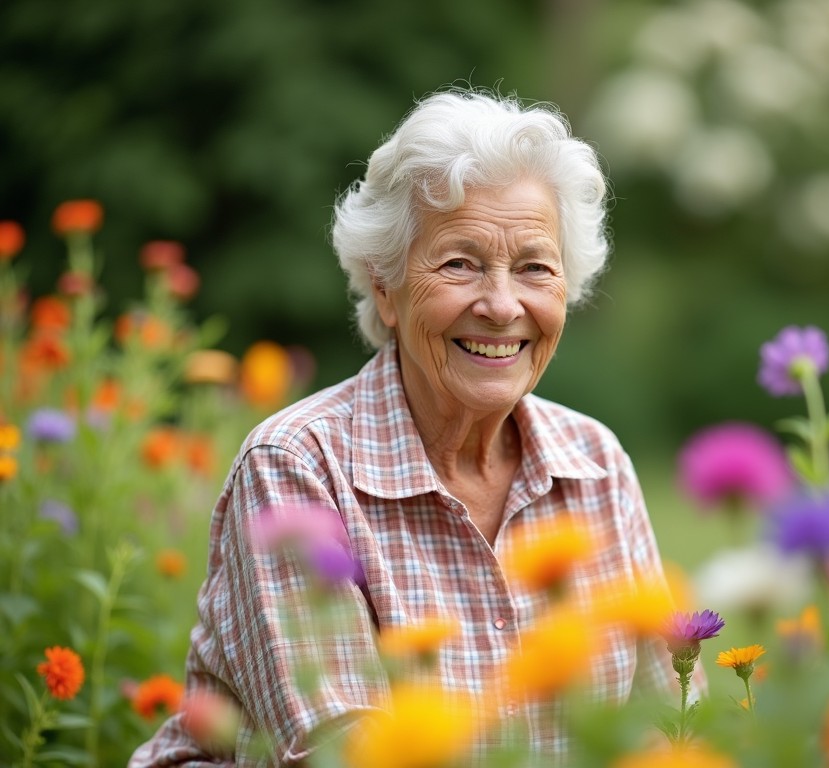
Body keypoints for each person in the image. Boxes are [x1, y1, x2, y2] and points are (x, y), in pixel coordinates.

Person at [129, 86, 690, 767]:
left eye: (536, 268)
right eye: (461, 263)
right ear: (386, 287)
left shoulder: (595, 463)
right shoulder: (297, 465)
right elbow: (339, 752)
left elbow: (665, 721)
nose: (502, 304)